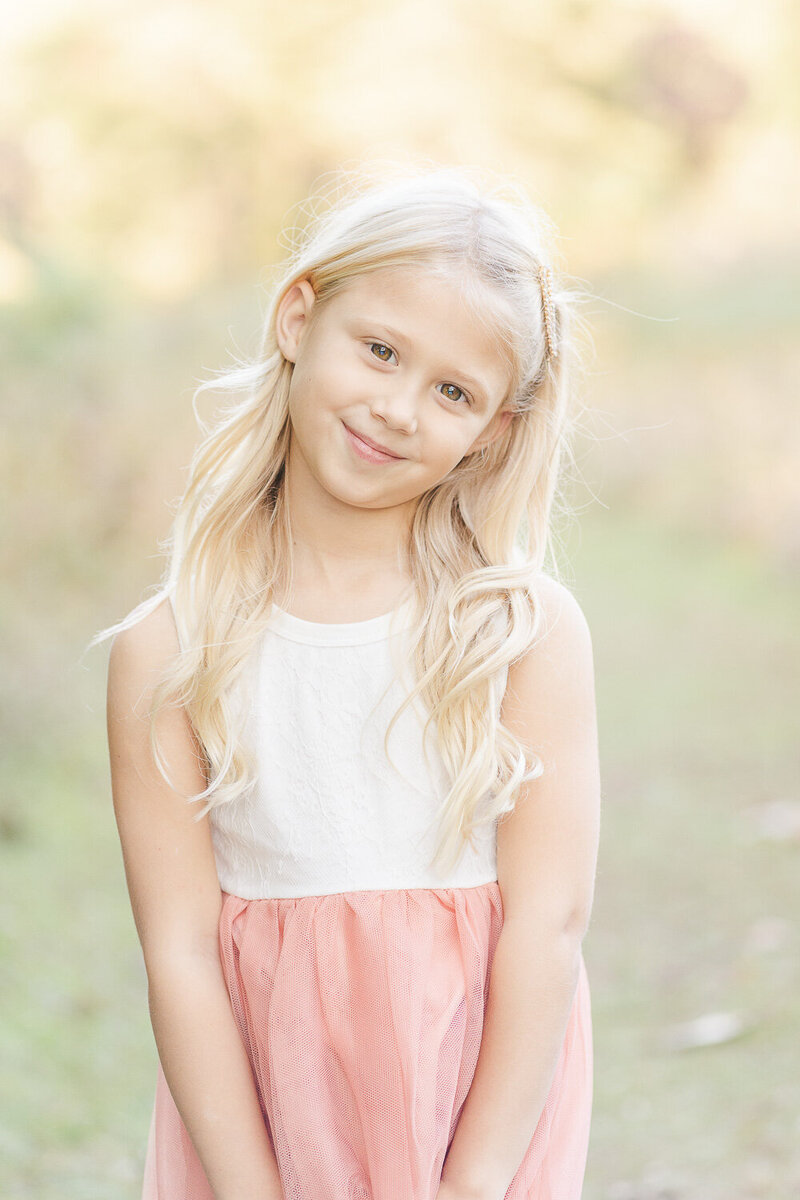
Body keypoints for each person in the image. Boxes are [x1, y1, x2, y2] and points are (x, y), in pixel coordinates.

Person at [99, 161, 601, 1200]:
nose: (397, 409)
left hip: (472, 1112)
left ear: (494, 429)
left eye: (453, 391)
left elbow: (548, 922)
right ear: (298, 317)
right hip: (267, 1121)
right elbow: (182, 954)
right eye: (379, 350)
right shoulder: (169, 653)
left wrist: (472, 1183)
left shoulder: (519, 635)